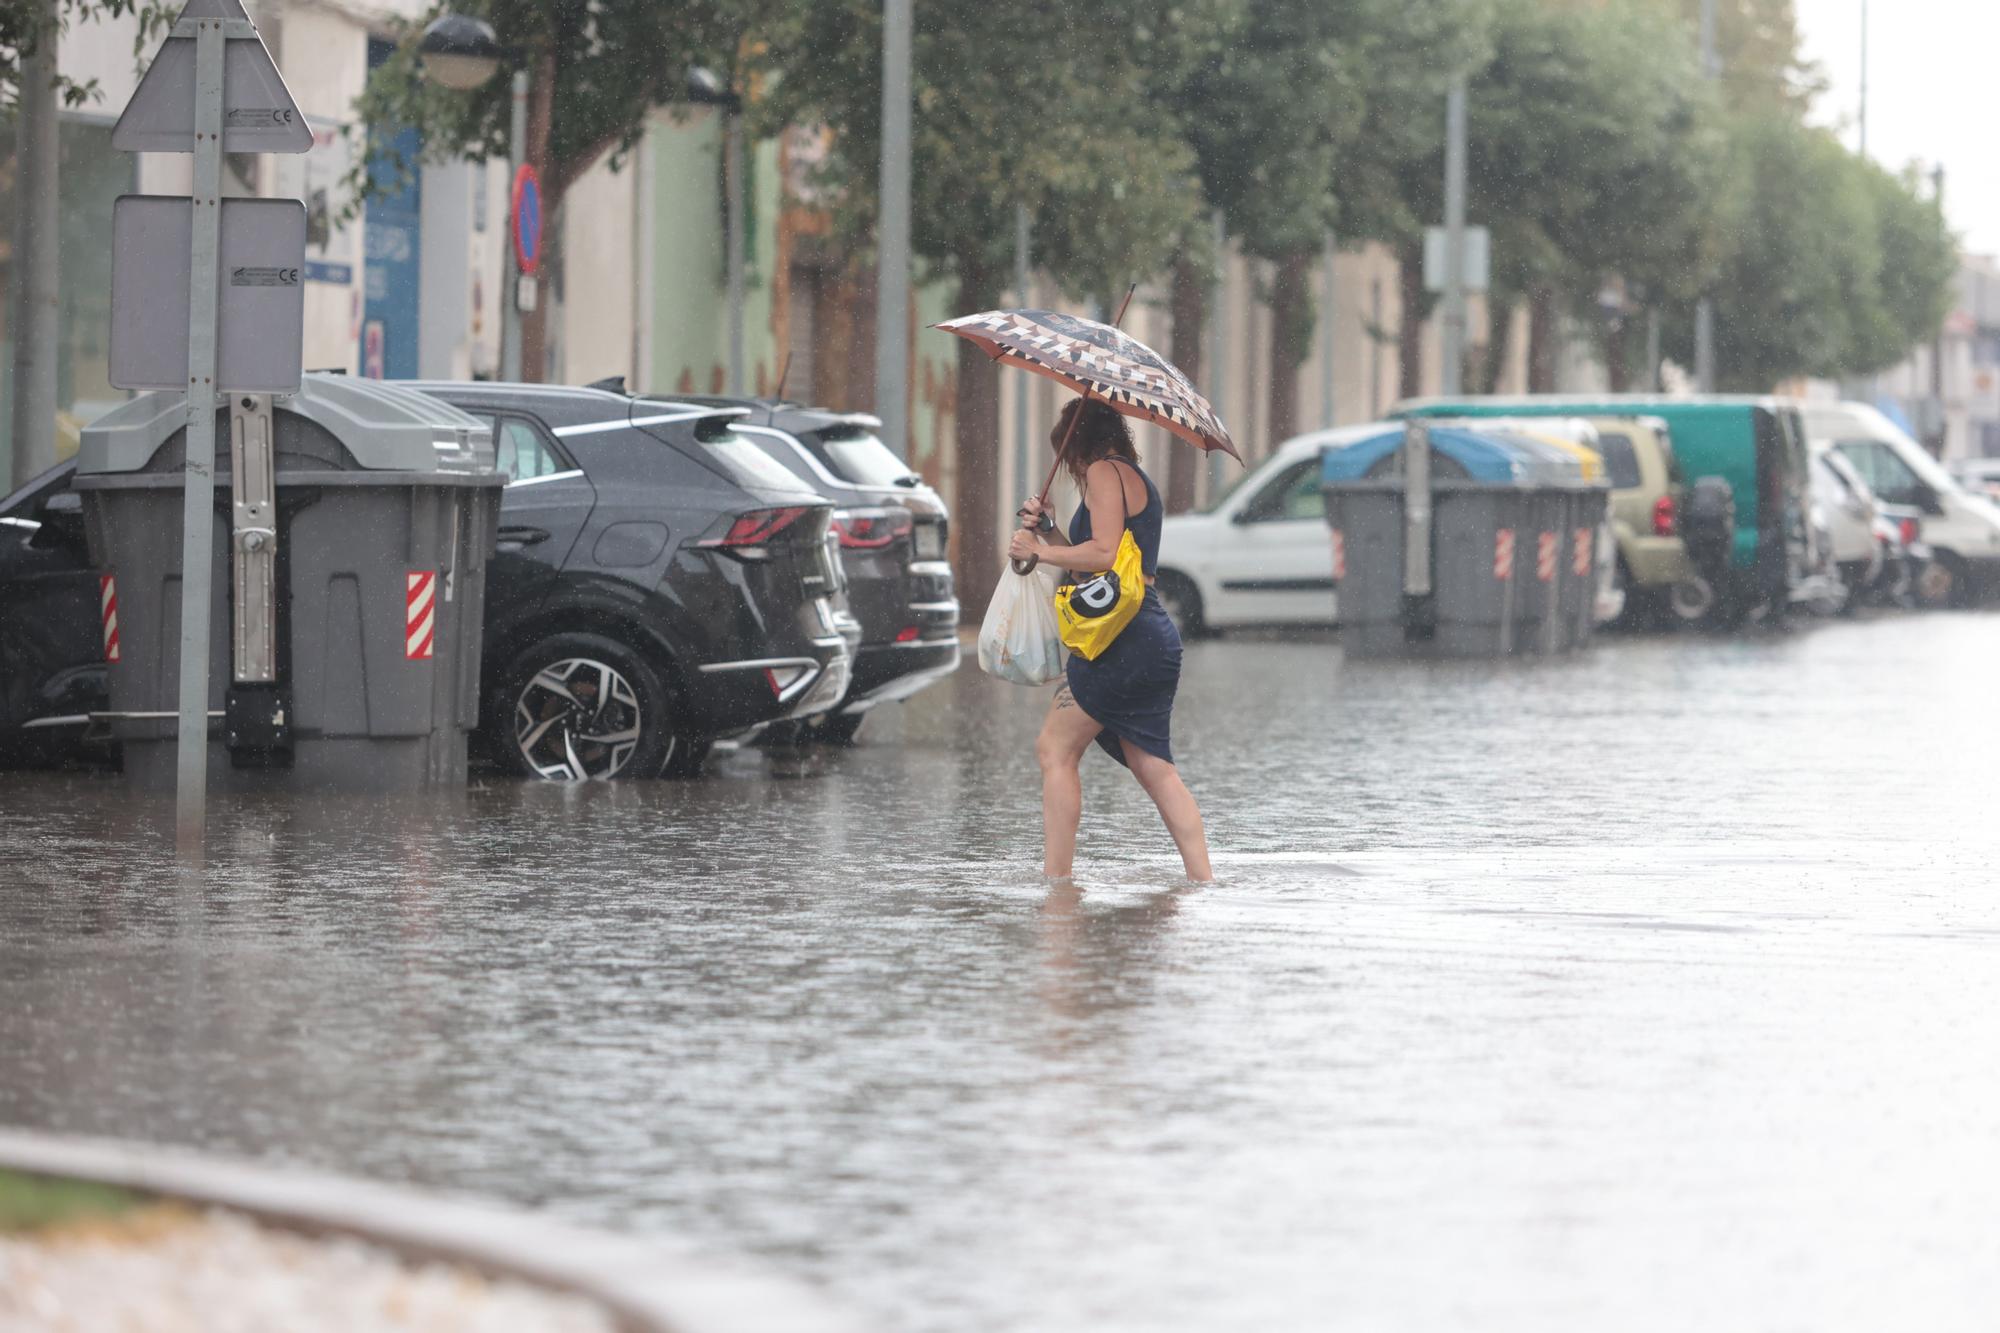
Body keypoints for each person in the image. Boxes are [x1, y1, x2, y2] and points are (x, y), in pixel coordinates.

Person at [1009, 397, 1213, 883]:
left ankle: (1057, 883)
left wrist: (1037, 549)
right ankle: (1204, 881)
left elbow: (1102, 555)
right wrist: (1052, 531)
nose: (1073, 468)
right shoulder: (1131, 478)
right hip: (1150, 636)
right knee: (1152, 765)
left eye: (1069, 455)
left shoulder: (1103, 472)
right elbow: (1108, 560)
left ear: (1078, 445)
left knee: (1054, 750)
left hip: (1118, 640)